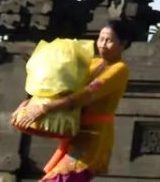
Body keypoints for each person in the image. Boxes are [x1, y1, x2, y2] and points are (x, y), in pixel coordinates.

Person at [20, 21, 132, 182]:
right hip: (76, 131)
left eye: (109, 40)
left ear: (123, 44)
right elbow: (62, 86)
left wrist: (45, 108)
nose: (103, 44)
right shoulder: (93, 63)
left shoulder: (120, 69)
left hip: (94, 137)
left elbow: (86, 94)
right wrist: (33, 101)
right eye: (101, 39)